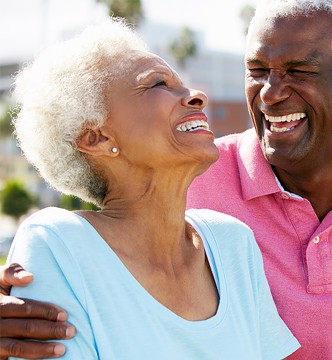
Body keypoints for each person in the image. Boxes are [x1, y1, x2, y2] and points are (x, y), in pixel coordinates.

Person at [0, 0, 332, 359]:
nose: (270, 92)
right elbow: (83, 239)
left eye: (298, 70)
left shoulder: (227, 242)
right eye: (258, 70)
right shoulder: (175, 182)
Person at [0, 18, 299, 359]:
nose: (196, 96)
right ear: (97, 138)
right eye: (158, 84)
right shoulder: (57, 244)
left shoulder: (233, 243)